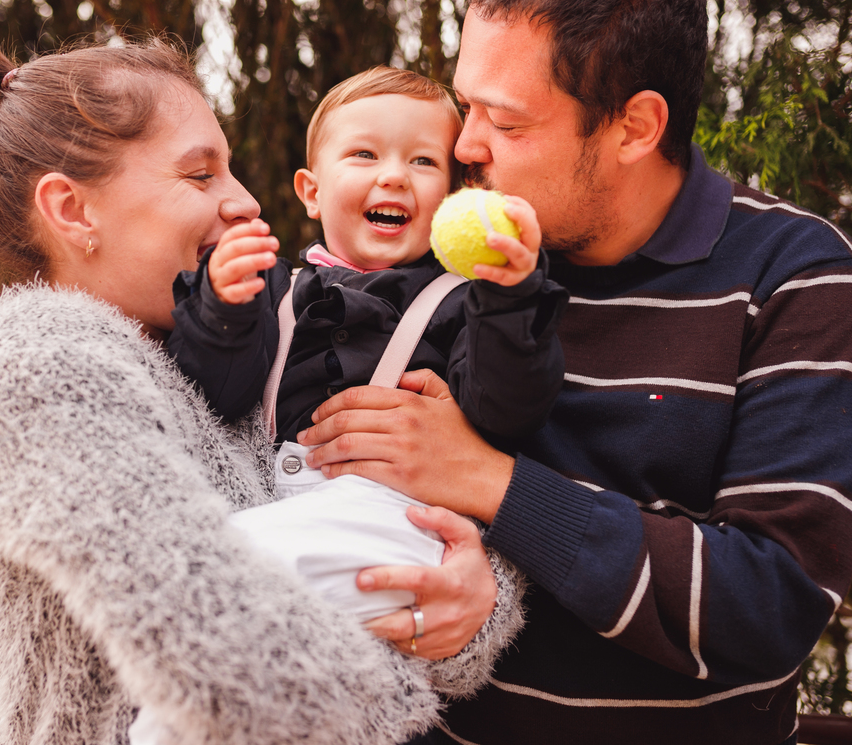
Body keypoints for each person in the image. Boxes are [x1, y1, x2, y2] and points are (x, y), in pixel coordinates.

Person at [0, 39, 525, 745]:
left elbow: (373, 550)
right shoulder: (41, 370)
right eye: (200, 173)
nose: (242, 200)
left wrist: (473, 604)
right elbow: (219, 648)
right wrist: (404, 675)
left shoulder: (218, 347)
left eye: (230, 171)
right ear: (74, 210)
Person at [297, 0, 852, 743]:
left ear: (636, 126)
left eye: (505, 120)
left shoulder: (792, 275)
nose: (465, 147)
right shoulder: (433, 262)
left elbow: (771, 606)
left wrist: (494, 485)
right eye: (468, 105)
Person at [167, 65, 566, 623]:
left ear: (452, 198)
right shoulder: (275, 290)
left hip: (394, 522)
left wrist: (509, 300)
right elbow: (216, 397)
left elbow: (508, 410)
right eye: (364, 155)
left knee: (209, 576)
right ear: (311, 191)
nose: (395, 177)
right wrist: (220, 310)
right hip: (276, 508)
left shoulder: (461, 301)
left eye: (424, 161)